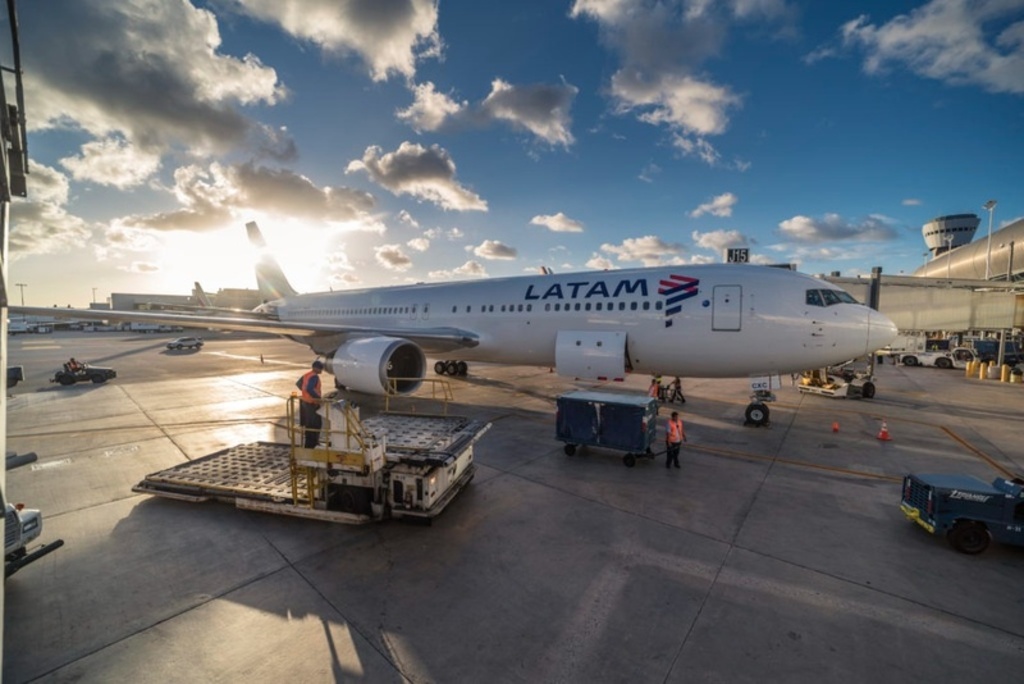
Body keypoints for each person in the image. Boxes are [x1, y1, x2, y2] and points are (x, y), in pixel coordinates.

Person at [296, 360, 324, 448]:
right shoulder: (314, 377)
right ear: (316, 368)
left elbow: (299, 384)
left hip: (305, 402)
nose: (321, 370)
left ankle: (309, 444)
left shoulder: (307, 375)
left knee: (309, 424)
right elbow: (309, 388)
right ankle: (312, 444)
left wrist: (305, 394)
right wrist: (318, 398)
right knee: (315, 425)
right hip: (312, 404)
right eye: (320, 368)